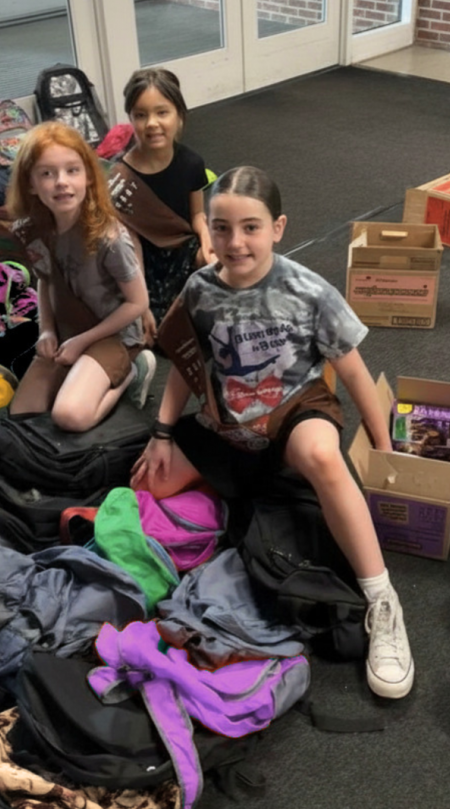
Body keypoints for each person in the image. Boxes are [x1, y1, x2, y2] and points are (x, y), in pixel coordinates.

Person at [130, 165, 414, 700]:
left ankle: (382, 601)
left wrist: (384, 448)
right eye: (221, 227)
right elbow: (185, 368)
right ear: (207, 229)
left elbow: (353, 371)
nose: (235, 242)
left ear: (277, 227)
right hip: (229, 425)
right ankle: (248, 512)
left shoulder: (306, 290)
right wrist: (163, 434)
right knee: (151, 484)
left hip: (294, 415)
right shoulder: (198, 291)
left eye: (251, 227)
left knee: (323, 457)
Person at [7, 121, 156, 432]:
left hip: (112, 335)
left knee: (69, 416)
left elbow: (138, 302)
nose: (61, 182)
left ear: (88, 176)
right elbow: (45, 279)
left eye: (72, 170)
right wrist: (46, 331)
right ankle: (80, 372)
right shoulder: (31, 229)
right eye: (47, 173)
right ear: (31, 183)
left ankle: (129, 375)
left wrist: (83, 342)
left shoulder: (108, 238)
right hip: (67, 331)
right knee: (23, 414)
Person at [109, 68, 216, 346]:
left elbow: (197, 216)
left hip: (183, 250)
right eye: (140, 115)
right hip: (146, 262)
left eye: (162, 112)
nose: (152, 123)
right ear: (131, 119)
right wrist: (141, 304)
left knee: (224, 262)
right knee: (156, 335)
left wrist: (208, 243)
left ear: (179, 115)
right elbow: (130, 245)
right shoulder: (121, 177)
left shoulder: (192, 162)